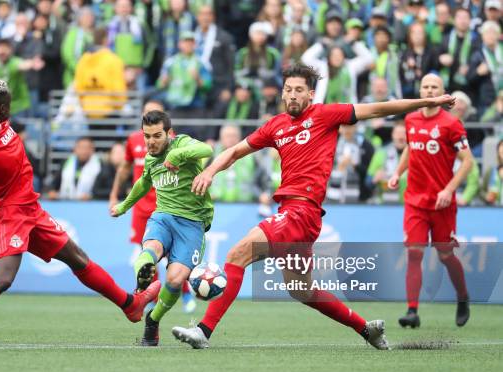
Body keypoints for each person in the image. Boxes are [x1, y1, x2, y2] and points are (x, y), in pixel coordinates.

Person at [172, 64, 458, 350]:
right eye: (288, 90)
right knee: (302, 290)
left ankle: (203, 331)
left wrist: (428, 102)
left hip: (301, 210)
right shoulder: (276, 125)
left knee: (237, 254)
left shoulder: (325, 115)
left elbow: (378, 108)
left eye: (298, 90)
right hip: (292, 213)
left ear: (310, 94)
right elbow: (234, 151)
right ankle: (366, 329)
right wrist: (209, 172)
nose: (292, 95)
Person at [0, 80, 160, 352]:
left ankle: (130, 305)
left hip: (29, 207)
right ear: (4, 107)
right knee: (3, 279)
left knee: (77, 258)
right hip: (7, 211)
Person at [110, 110, 213, 346]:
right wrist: (124, 206)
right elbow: (143, 183)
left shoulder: (182, 143)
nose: (151, 142)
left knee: (175, 280)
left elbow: (207, 150)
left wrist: (177, 155)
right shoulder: (149, 159)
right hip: (163, 217)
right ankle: (143, 279)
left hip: (192, 222)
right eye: (147, 136)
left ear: (169, 133)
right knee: (151, 249)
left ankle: (153, 319)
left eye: (157, 136)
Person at [388, 73, 473, 329]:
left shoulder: (451, 124)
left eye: (434, 86)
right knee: (414, 253)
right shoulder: (411, 118)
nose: (428, 90)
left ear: (442, 92)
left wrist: (448, 190)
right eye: (425, 86)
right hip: (415, 200)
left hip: (441, 204)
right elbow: (410, 147)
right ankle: (412, 311)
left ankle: (463, 297)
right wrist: (397, 172)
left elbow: (467, 162)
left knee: (445, 254)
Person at [109, 100, 197, 314]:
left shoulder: (173, 144)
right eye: (147, 112)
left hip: (168, 205)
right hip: (141, 208)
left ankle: (184, 293)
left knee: (173, 256)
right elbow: (125, 168)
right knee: (149, 256)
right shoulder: (133, 141)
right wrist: (115, 196)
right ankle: (151, 296)